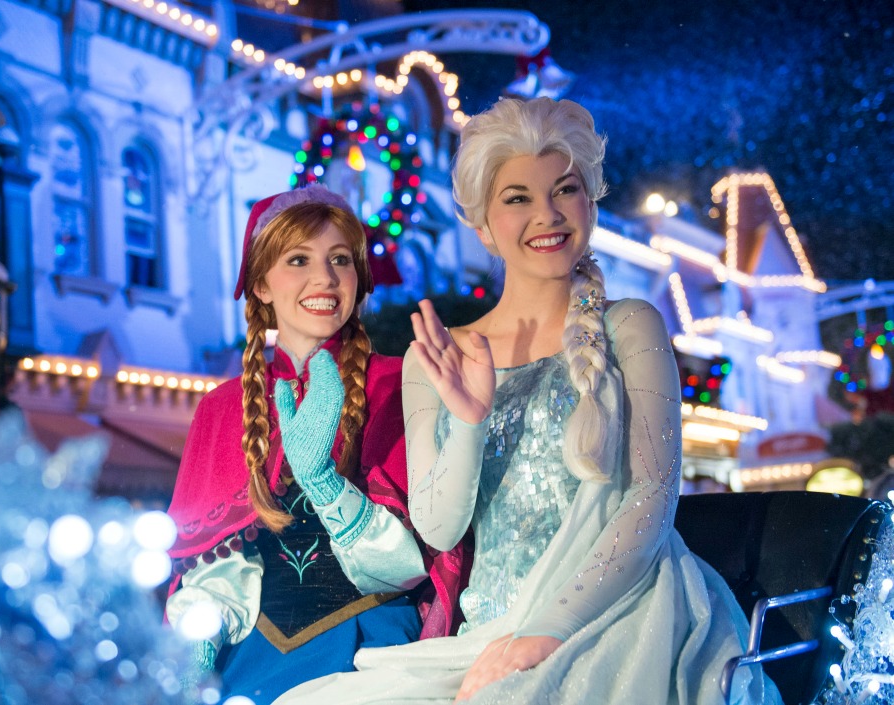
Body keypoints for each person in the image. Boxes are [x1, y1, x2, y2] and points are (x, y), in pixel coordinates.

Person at [276, 98, 782, 704]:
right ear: (483, 225)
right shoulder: (435, 355)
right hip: (487, 634)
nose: (547, 214)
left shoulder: (632, 325)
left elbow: (651, 497)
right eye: (518, 197)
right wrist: (468, 421)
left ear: (589, 204)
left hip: (620, 615)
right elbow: (439, 529)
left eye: (564, 190)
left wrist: (548, 632)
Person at [164, 185, 469, 703]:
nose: (324, 278)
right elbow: (213, 566)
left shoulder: (402, 383)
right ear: (261, 284)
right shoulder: (220, 409)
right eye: (298, 259)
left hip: (370, 653)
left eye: (340, 259)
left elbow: (416, 563)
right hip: (250, 659)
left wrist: (327, 487)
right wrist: (199, 635)